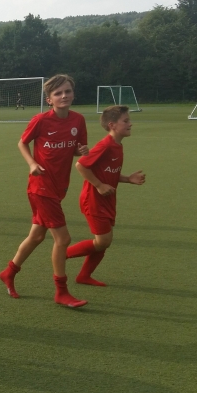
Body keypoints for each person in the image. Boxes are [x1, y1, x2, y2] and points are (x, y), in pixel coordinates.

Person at [0, 75, 90, 308]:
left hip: (59, 186)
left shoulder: (78, 120)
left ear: (73, 94)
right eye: (58, 93)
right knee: (63, 239)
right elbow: (22, 142)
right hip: (40, 187)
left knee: (37, 236)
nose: (64, 96)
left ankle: (8, 272)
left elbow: (76, 150)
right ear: (49, 99)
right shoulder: (40, 120)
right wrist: (31, 163)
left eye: (67, 91)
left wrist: (81, 151)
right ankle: (61, 291)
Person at [66, 106, 146, 286]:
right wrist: (99, 185)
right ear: (112, 125)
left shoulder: (117, 145)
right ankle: (61, 255)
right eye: (125, 121)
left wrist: (127, 179)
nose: (130, 124)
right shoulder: (105, 145)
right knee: (103, 241)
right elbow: (81, 165)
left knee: (104, 241)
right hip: (93, 200)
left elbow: (108, 172)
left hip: (107, 199)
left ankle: (84, 276)